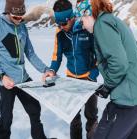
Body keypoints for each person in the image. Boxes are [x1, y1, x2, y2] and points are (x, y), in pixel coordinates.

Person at [0, 0, 55, 139]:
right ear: (8, 12)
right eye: (16, 17)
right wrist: (2, 76)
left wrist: (45, 69)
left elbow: (30, 53)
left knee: (34, 109)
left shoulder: (22, 26)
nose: (19, 19)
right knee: (6, 119)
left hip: (23, 79)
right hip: (6, 82)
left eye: (21, 16)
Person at [81, 0, 137, 139]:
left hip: (126, 102)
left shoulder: (102, 25)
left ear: (88, 13)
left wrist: (108, 86)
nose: (82, 25)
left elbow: (119, 64)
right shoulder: (115, 21)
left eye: (81, 19)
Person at [43, 0, 99, 139]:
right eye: (58, 23)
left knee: (91, 116)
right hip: (71, 79)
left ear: (72, 17)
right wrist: (51, 70)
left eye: (64, 23)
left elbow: (99, 55)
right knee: (73, 117)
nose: (61, 27)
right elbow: (57, 57)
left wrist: (93, 74)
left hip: (89, 79)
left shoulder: (86, 27)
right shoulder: (59, 33)